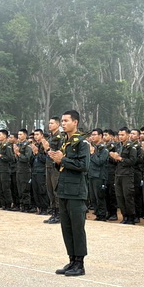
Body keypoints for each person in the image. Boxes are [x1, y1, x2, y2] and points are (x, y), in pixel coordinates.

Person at [51, 110, 90, 277]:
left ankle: (80, 263)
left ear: (75, 122)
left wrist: (63, 160)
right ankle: (72, 260)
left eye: (66, 120)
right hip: (64, 189)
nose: (63, 123)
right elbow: (63, 166)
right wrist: (56, 160)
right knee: (66, 227)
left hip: (76, 191)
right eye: (62, 121)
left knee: (77, 228)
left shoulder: (82, 143)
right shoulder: (65, 142)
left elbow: (83, 166)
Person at [110, 127, 137, 224]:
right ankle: (124, 216)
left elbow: (133, 161)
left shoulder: (131, 147)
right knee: (119, 197)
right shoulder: (118, 146)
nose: (120, 137)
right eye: (119, 135)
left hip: (127, 174)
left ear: (128, 135)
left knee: (127, 196)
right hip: (118, 174)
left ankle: (131, 217)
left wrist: (120, 159)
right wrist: (113, 158)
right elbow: (115, 162)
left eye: (122, 135)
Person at [88, 128, 108, 221]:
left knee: (99, 196)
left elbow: (100, 161)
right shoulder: (94, 147)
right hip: (91, 174)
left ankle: (102, 215)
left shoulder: (104, 149)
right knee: (93, 197)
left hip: (99, 175)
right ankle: (97, 214)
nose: (92, 137)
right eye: (92, 135)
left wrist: (92, 153)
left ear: (100, 136)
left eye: (94, 135)